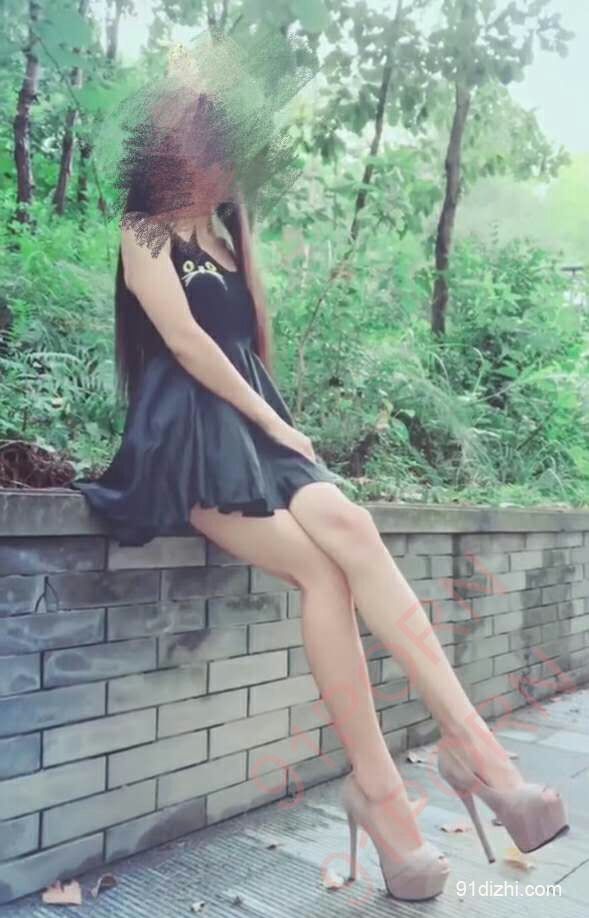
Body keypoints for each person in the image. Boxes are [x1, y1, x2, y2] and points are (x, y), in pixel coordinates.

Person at [74, 82, 568, 903]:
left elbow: (248, 344)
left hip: (259, 431)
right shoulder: (144, 229)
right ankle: (387, 795)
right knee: (321, 574)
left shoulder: (230, 233)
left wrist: (274, 423)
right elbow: (188, 344)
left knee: (350, 525)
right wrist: (275, 423)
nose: (225, 172)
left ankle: (475, 753)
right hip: (190, 440)